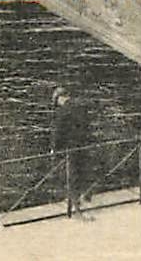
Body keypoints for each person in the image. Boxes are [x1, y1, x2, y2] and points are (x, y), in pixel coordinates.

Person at [50, 85, 95, 217]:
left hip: (71, 148)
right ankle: (86, 196)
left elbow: (58, 132)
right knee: (84, 172)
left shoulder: (63, 111)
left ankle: (75, 206)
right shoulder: (80, 106)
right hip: (84, 144)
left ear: (60, 98)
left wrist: (54, 149)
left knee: (72, 175)